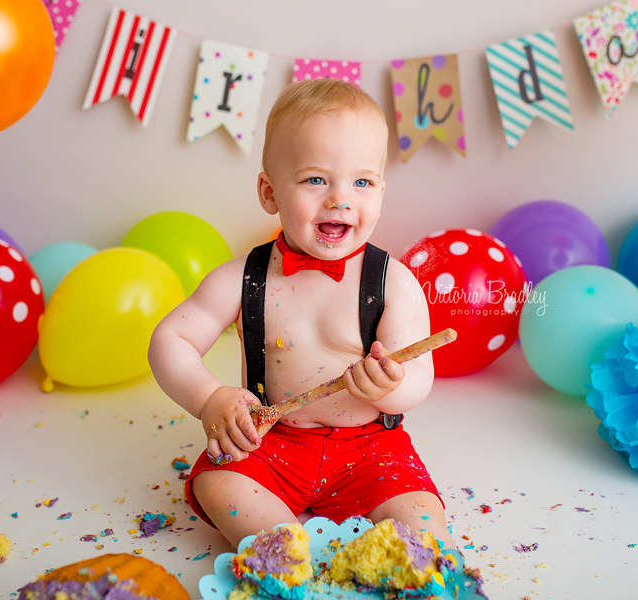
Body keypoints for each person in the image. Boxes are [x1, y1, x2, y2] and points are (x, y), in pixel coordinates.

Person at [148, 78, 452, 550]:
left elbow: (420, 376)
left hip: (369, 448)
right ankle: (287, 552)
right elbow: (171, 340)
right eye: (315, 179)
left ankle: (413, 566)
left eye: (362, 181)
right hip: (271, 440)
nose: (340, 198)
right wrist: (209, 400)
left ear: (380, 192)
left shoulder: (393, 282)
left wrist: (391, 386)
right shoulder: (243, 277)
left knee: (421, 516)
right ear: (269, 193)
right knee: (216, 483)